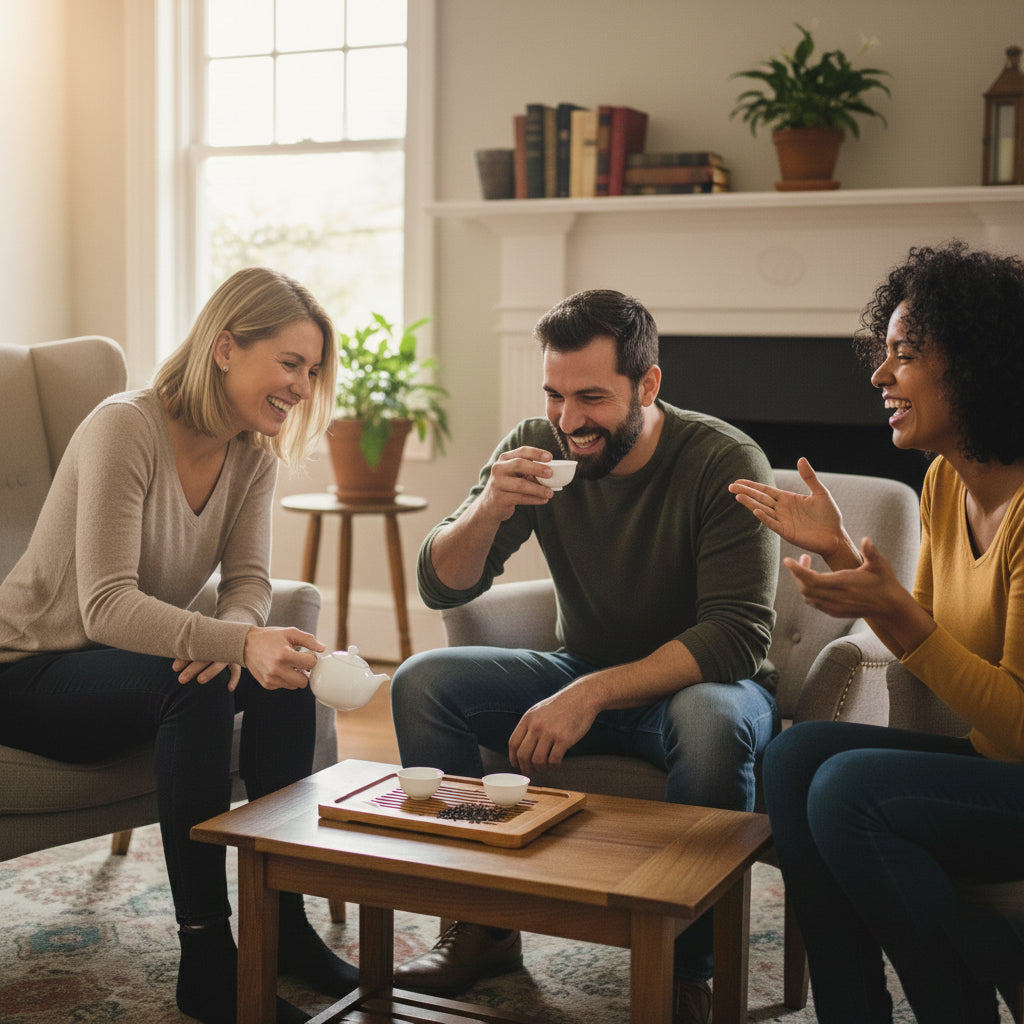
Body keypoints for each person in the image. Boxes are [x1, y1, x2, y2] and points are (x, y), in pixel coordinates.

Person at [389, 288, 781, 1024]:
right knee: (420, 684)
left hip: (708, 686)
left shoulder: (723, 459)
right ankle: (484, 924)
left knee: (707, 720)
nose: (570, 421)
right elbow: (440, 584)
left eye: (592, 398)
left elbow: (737, 635)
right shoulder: (539, 444)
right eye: (556, 395)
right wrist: (488, 509)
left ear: (649, 384)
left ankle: (687, 969)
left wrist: (593, 693)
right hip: (583, 667)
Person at [0, 268, 359, 1024]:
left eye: (313, 370)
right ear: (226, 346)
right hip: (26, 670)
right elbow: (103, 605)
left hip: (118, 663)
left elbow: (251, 580)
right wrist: (232, 642)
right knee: (196, 683)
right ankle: (206, 961)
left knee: (285, 672)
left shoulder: (252, 452)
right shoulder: (124, 426)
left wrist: (248, 640)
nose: (302, 385)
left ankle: (282, 926)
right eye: (290, 363)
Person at [729, 241, 1024, 1024]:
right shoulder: (943, 482)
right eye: (883, 354)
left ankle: (964, 999)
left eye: (905, 355)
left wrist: (894, 609)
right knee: (793, 756)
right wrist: (835, 555)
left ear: (978, 364)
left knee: (851, 790)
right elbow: (928, 652)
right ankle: (854, 1012)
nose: (879, 377)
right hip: (997, 771)